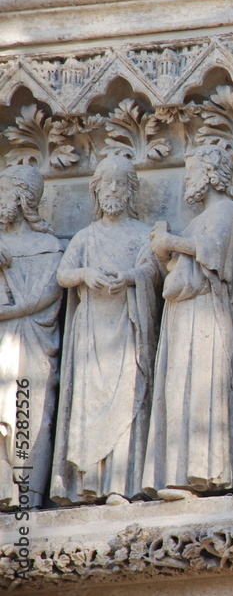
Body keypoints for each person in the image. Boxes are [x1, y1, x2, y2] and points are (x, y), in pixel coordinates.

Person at [51, 155, 161, 505]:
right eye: (106, 183)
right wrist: (85, 274)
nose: (113, 189)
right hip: (92, 332)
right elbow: (63, 275)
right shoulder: (86, 237)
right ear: (96, 191)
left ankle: (120, 483)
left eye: (120, 183)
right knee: (90, 403)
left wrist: (130, 277)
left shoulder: (143, 235)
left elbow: (154, 274)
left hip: (128, 328)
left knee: (129, 397)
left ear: (131, 192)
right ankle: (89, 484)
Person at [143, 145, 233, 500]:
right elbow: (179, 263)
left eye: (192, 172)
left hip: (207, 312)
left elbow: (213, 251)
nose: (188, 179)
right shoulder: (195, 221)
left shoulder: (226, 211)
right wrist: (162, 252)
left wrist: (171, 242)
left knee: (201, 389)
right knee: (178, 389)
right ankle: (176, 472)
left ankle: (203, 473)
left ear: (211, 173)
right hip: (182, 314)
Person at [0, 166, 63, 508]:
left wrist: (12, 310)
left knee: (29, 411)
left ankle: (27, 493)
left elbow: (47, 295)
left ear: (24, 198)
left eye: (4, 192)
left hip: (31, 346)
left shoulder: (47, 246)